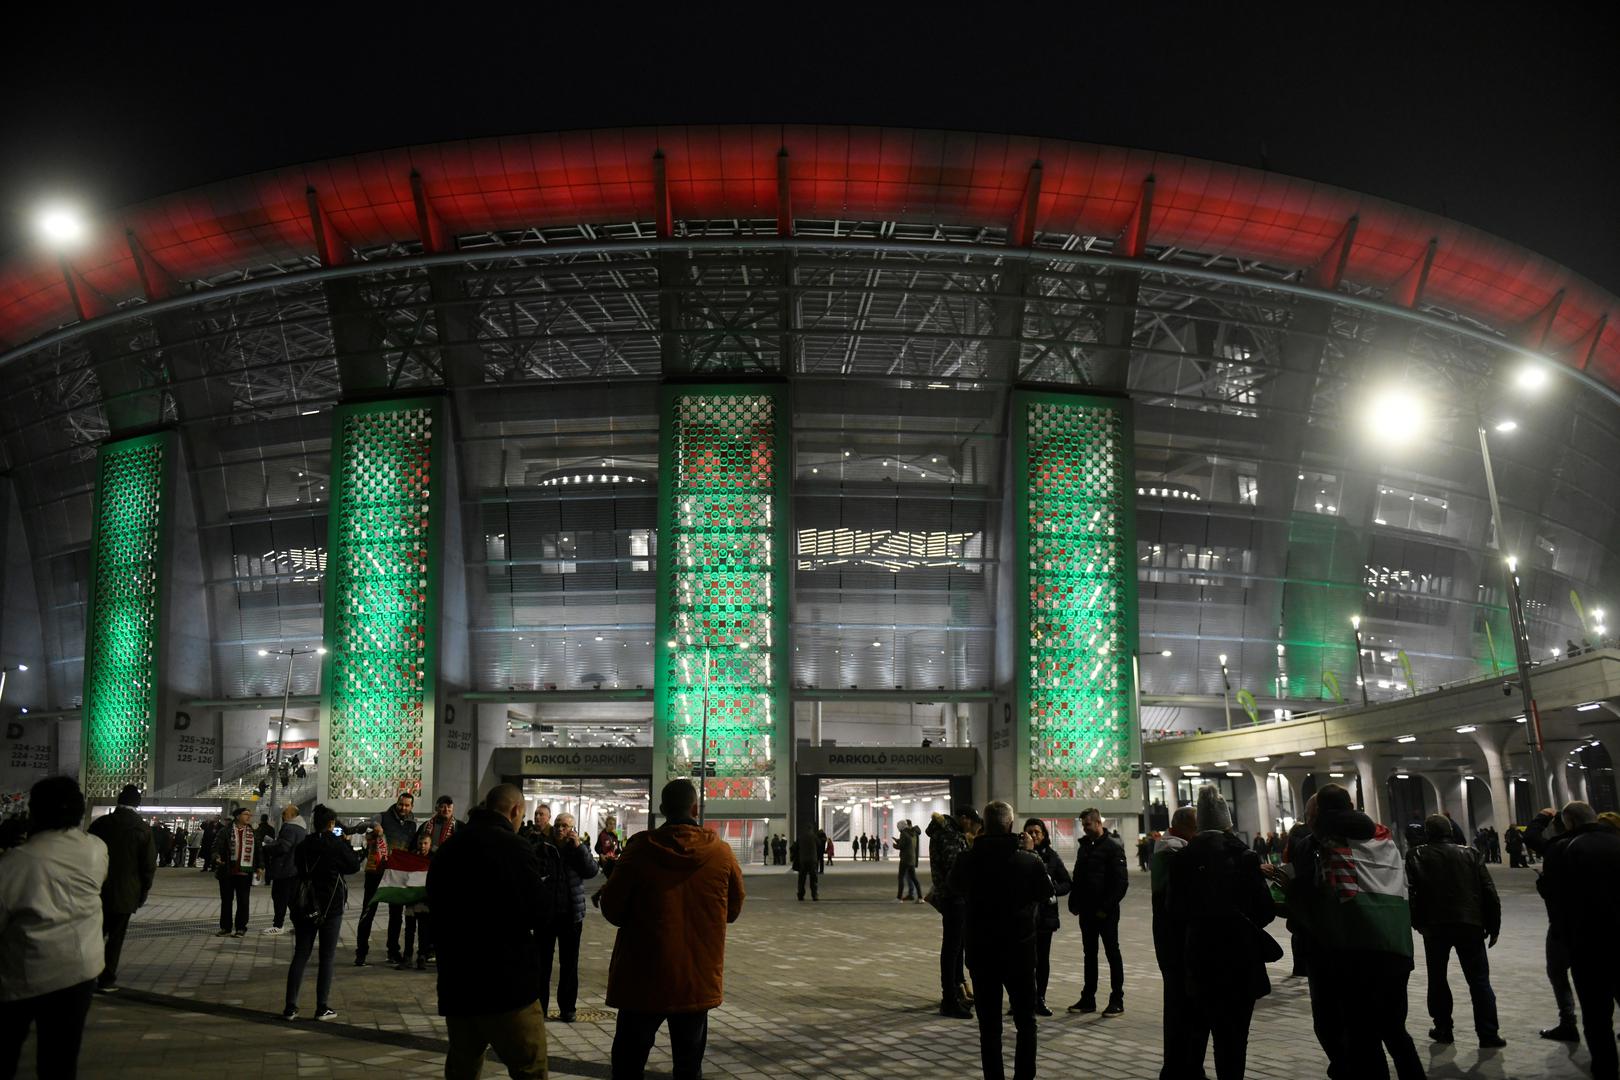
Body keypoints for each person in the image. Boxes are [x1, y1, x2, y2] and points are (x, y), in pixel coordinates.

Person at [1273, 782, 1424, 1080]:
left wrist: (1287, 889)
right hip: (1396, 949)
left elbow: (1316, 901)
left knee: (1361, 1037)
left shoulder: (1322, 845)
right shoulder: (1385, 839)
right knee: (1395, 1031)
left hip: (1353, 955)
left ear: (1317, 815)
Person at [599, 779, 745, 1080]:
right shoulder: (721, 853)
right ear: (695, 808)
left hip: (641, 978)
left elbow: (612, 911)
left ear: (663, 809)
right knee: (688, 1067)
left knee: (628, 1064)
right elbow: (732, 911)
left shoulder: (639, 849)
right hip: (695, 978)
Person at [427, 784, 551, 1080]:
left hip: (459, 985)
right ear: (515, 811)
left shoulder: (450, 848)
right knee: (530, 1069)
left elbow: (433, 902)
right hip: (508, 987)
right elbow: (540, 912)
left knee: (463, 1070)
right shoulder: (516, 847)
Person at [0, 776, 107, 1079]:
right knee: (60, 1057)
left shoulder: (17, 862)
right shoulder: (96, 850)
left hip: (27, 971)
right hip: (81, 968)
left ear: (36, 812)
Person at [1168, 786, 1278, 1080]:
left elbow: (1174, 911)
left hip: (1199, 958)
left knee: (1202, 1032)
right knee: (1234, 1040)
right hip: (1241, 959)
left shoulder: (1182, 859)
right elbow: (1266, 911)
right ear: (1227, 822)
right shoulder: (1244, 856)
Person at [951, 803, 1053, 1080]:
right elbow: (1046, 893)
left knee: (990, 1026)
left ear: (984, 825)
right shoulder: (1028, 861)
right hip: (1019, 951)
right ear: (1010, 826)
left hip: (981, 952)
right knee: (1025, 1022)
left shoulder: (967, 859)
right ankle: (1024, 1076)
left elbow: (954, 889)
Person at [1405, 813, 1503, 1048]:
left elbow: (1412, 894)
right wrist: (1493, 925)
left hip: (1435, 926)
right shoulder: (1470, 853)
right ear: (1450, 830)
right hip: (1470, 923)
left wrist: (1417, 923)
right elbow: (1489, 891)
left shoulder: (1416, 855)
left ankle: (1443, 1028)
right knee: (1479, 981)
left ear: (1428, 833)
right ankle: (1488, 1033)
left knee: (1437, 978)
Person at [1540, 800, 1620, 1080]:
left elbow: (1558, 900)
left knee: (1597, 1016)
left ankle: (1606, 1068)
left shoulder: (1563, 850)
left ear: (1569, 822)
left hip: (1588, 945)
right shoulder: (1616, 841)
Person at [281, 803, 362, 1021]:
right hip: (330, 906)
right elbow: (353, 866)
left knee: (301, 953)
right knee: (327, 957)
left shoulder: (304, 845)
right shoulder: (336, 843)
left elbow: (299, 867)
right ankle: (322, 1006)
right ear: (331, 823)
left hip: (305, 903)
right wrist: (345, 845)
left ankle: (290, 1007)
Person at [85, 783, 156, 993]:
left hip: (97, 888)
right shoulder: (142, 827)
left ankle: (84, 976)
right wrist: (143, 890)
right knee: (115, 938)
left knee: (92, 934)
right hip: (127, 891)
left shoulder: (101, 824)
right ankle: (106, 980)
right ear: (137, 803)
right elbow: (149, 864)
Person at [534, 811, 599, 1022]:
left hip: (571, 915)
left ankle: (568, 1008)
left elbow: (591, 871)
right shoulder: (543, 847)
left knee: (569, 964)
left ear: (572, 829)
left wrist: (579, 847)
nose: (561, 829)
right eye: (558, 825)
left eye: (565, 826)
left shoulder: (578, 849)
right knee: (542, 964)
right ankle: (539, 1008)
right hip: (547, 915)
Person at [1150, 804, 1199, 1080]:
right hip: (1175, 943)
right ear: (1182, 826)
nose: (1198, 832)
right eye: (1195, 827)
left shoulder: (1168, 847)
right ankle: (1177, 1068)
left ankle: (1179, 1066)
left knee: (1178, 1006)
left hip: (1168, 941)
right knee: (1180, 1007)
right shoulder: (1173, 851)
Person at [1525, 806, 1581, 1041]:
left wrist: (1542, 816)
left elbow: (1530, 837)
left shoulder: (1558, 848)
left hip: (1564, 925)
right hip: (1606, 923)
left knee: (1558, 972)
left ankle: (1568, 1022)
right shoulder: (1610, 843)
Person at [1067, 807, 1128, 1017]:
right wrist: (1074, 902)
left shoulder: (1112, 847)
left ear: (1098, 823)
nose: (1084, 828)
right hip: (1087, 911)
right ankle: (1088, 998)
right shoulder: (1084, 847)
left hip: (1106, 913)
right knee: (1089, 955)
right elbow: (1079, 876)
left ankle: (1117, 999)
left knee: (1112, 953)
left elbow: (1121, 883)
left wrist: (1105, 908)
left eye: (1087, 824)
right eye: (1083, 825)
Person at [928, 808, 979, 1018]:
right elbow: (954, 869)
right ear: (964, 819)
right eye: (972, 823)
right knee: (951, 948)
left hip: (953, 896)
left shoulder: (950, 833)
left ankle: (955, 992)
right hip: (953, 896)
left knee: (956, 947)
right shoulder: (949, 835)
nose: (973, 828)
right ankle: (949, 998)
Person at [356, 791, 416, 965]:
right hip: (376, 873)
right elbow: (364, 826)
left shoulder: (412, 824)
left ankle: (393, 951)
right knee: (368, 911)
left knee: (396, 915)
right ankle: (361, 952)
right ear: (396, 803)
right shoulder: (381, 817)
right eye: (401, 804)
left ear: (412, 807)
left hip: (396, 875)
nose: (403, 808)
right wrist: (374, 827)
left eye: (406, 805)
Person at [1022, 818, 1071, 1017]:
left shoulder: (1051, 857)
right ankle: (1024, 998)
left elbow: (1067, 882)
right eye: (1030, 832)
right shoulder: (1018, 855)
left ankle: (1039, 998)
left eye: (1037, 832)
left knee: (1042, 959)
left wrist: (1053, 890)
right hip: (1022, 917)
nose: (1034, 835)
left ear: (1044, 834)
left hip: (1044, 917)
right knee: (1023, 960)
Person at [260, 803, 308, 936]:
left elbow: (283, 847)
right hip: (295, 869)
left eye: (284, 813)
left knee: (279, 897)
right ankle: (299, 925)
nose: (282, 816)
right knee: (293, 900)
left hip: (285, 868)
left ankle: (278, 925)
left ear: (291, 815)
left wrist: (267, 846)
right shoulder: (302, 828)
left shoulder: (289, 827)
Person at [212, 805, 257, 936]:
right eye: (246, 814)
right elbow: (216, 846)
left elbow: (258, 850)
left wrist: (260, 866)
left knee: (243, 901)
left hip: (245, 872)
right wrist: (216, 857)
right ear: (238, 816)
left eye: (250, 815)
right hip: (227, 871)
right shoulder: (225, 831)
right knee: (226, 901)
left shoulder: (252, 832)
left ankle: (241, 927)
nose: (249, 817)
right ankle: (226, 927)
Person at [895, 819, 923, 902]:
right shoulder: (912, 833)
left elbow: (902, 846)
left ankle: (899, 898)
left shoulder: (904, 833)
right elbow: (908, 843)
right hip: (912, 858)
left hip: (905, 859)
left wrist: (895, 845)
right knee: (914, 878)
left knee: (901, 878)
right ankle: (920, 897)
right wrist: (898, 841)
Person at [793, 829, 820, 901]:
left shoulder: (800, 837)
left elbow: (795, 847)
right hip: (812, 860)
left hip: (803, 860)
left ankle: (800, 895)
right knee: (813, 878)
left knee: (801, 878)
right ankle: (814, 895)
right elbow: (819, 845)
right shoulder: (814, 837)